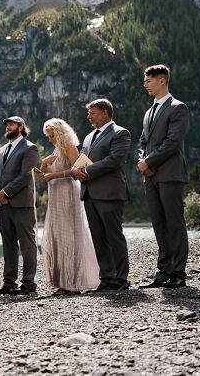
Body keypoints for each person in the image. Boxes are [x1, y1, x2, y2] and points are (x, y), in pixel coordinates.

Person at [137, 64, 190, 289]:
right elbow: (142, 143)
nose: (145, 84)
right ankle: (163, 272)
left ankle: (178, 273)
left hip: (170, 174)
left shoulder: (178, 107)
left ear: (162, 81)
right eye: (145, 80)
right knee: (159, 223)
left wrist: (149, 161)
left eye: (149, 80)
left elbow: (173, 142)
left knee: (174, 223)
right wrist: (142, 161)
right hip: (151, 177)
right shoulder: (149, 112)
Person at [73, 99, 131, 292]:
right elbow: (80, 159)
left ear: (105, 113)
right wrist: (75, 170)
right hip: (89, 194)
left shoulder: (121, 133)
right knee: (98, 237)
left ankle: (121, 279)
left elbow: (114, 160)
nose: (89, 116)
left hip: (109, 193)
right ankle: (106, 279)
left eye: (93, 113)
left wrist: (87, 171)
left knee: (114, 236)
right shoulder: (89, 137)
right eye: (88, 113)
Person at [39, 118, 100, 295]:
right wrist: (44, 164)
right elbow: (45, 176)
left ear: (59, 133)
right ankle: (61, 281)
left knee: (69, 236)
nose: (50, 139)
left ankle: (72, 282)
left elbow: (77, 170)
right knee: (57, 236)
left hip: (68, 193)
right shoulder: (55, 149)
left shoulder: (69, 147)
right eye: (48, 136)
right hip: (56, 195)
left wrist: (54, 175)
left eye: (52, 136)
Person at [0, 116, 40, 296]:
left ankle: (28, 283)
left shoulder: (30, 148)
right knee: (8, 245)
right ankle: (9, 283)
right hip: (3, 205)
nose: (8, 127)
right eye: (7, 125)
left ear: (20, 127)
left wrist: (6, 193)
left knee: (27, 244)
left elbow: (25, 175)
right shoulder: (2, 150)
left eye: (11, 125)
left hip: (21, 204)